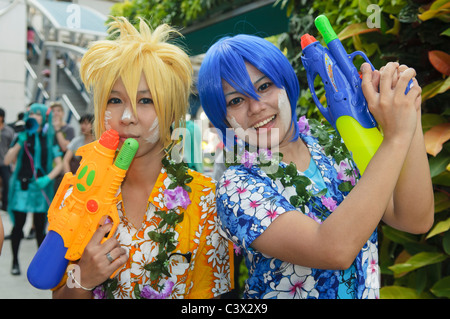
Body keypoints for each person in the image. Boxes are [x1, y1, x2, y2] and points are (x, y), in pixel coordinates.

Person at [197, 34, 434, 299]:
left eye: (264, 86)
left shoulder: (333, 143)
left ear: (285, 83)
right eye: (236, 101)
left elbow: (414, 219)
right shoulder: (235, 185)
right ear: (223, 118)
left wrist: (407, 111)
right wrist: (396, 136)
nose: (256, 106)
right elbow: (334, 249)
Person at [52, 17, 234, 299]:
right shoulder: (76, 198)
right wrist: (84, 279)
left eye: (145, 101)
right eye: (114, 100)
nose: (127, 117)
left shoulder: (206, 200)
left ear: (172, 112)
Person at [4, 103, 63, 275]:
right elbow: (7, 161)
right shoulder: (22, 135)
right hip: (22, 187)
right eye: (33, 113)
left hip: (40, 189)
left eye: (39, 114)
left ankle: (41, 266)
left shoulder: (49, 137)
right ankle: (15, 262)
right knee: (18, 227)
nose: (36, 116)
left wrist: (47, 178)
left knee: (40, 228)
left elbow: (59, 165)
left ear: (45, 117)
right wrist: (19, 142)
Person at [0, 108, 15, 212]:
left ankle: (5, 205)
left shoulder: (9, 131)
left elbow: (12, 147)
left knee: (7, 183)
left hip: (4, 162)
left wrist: (13, 162)